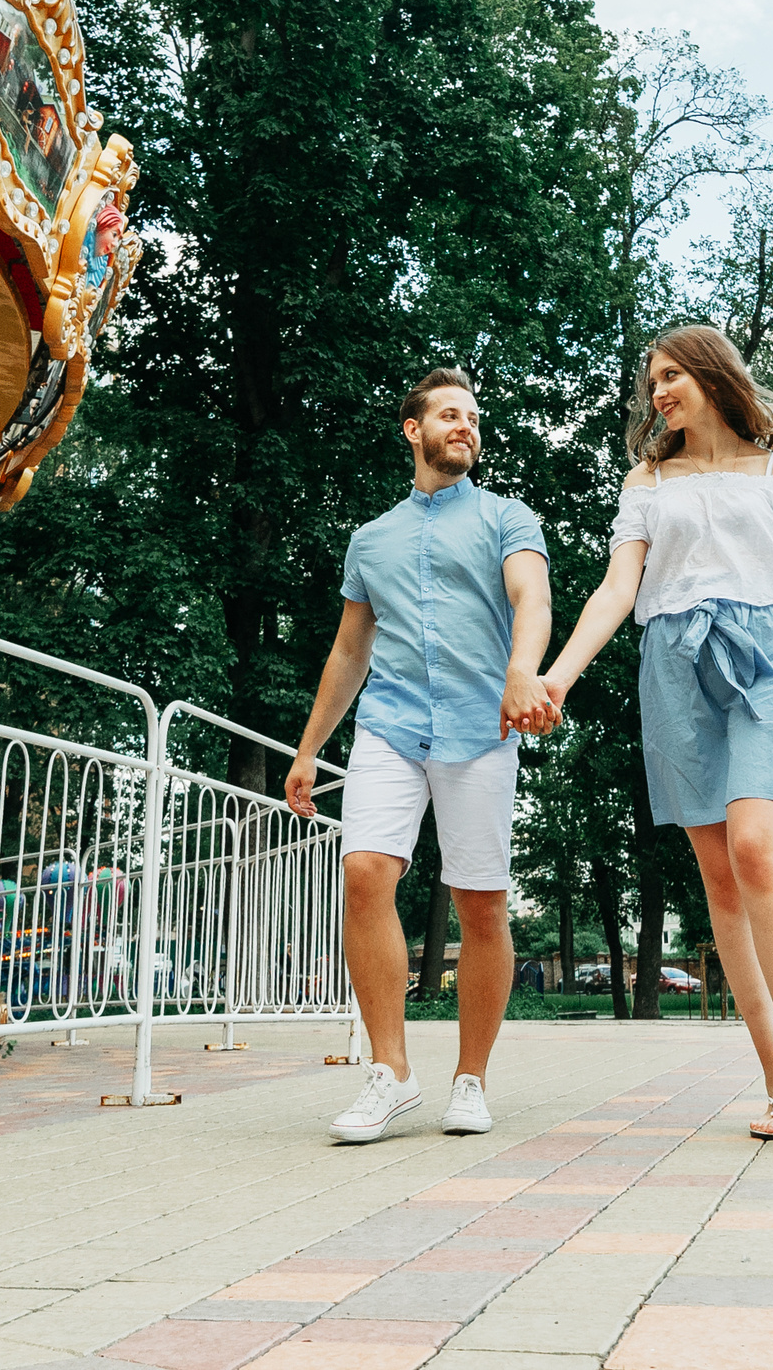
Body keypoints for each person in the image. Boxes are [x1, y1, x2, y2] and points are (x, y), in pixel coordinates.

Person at [540, 324, 773, 1143]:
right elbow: (616, 589)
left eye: (672, 373)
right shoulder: (647, 480)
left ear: (713, 375)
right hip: (675, 668)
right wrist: (558, 674)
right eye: (653, 380)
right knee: (718, 879)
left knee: (756, 846)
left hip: (768, 662)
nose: (659, 391)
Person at [287, 368, 556, 1143]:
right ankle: (393, 1071)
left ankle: (469, 1078)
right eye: (449, 413)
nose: (465, 425)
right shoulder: (371, 539)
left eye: (473, 416)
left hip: (483, 727)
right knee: (366, 871)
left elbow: (530, 599)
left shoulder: (509, 516)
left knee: (480, 902)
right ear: (414, 430)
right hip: (392, 725)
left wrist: (522, 669)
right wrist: (310, 749)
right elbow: (348, 650)